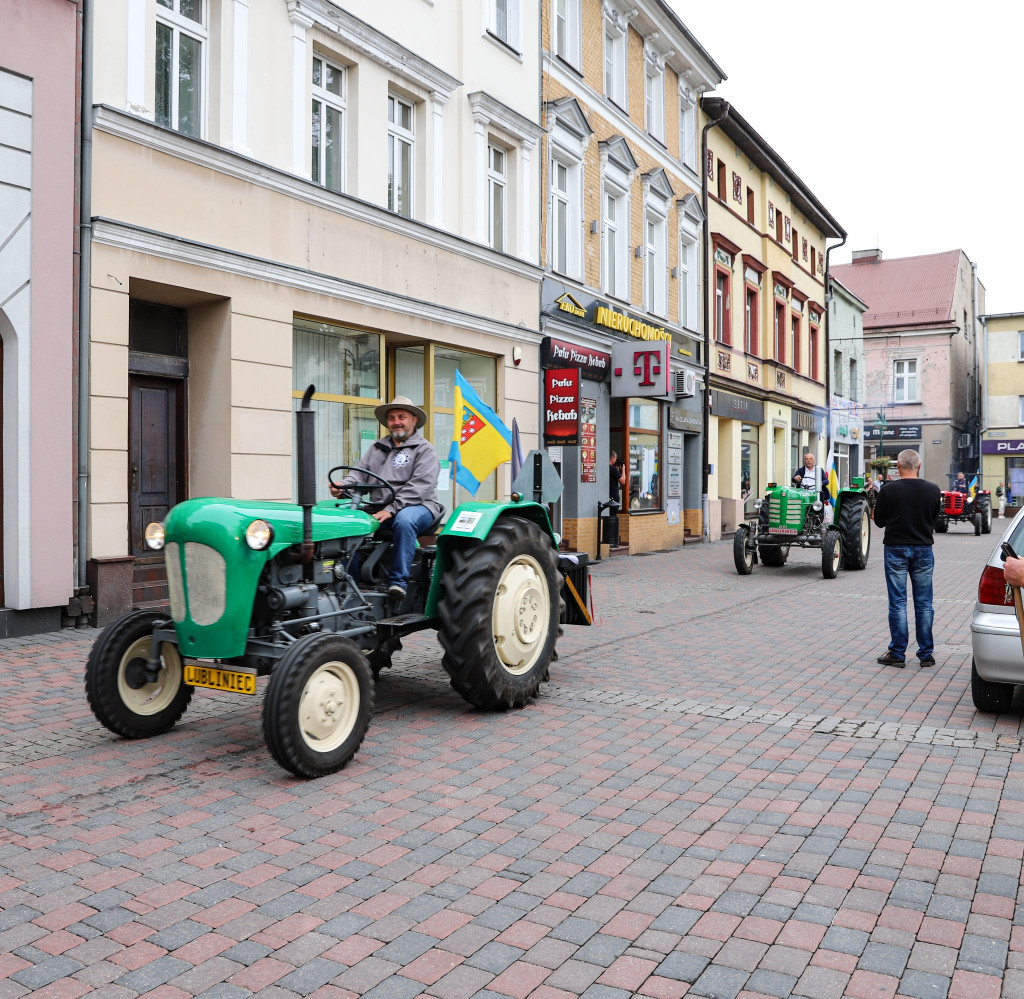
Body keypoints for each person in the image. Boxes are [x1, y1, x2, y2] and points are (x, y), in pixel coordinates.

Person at [330, 396, 441, 601]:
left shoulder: (424, 450)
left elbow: (420, 486)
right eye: (391, 418)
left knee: (405, 520)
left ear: (414, 420)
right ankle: (350, 583)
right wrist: (343, 485)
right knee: (346, 523)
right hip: (379, 507)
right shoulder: (377, 448)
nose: (396, 421)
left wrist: (392, 508)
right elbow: (360, 474)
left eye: (401, 417)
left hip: (420, 506)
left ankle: (398, 583)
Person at [872, 449, 942, 668]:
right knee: (924, 604)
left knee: (898, 602)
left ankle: (898, 653)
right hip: (923, 550)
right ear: (919, 466)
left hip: (895, 549)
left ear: (898, 467)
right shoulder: (933, 490)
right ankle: (926, 654)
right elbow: (934, 519)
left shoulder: (888, 490)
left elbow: (879, 521)